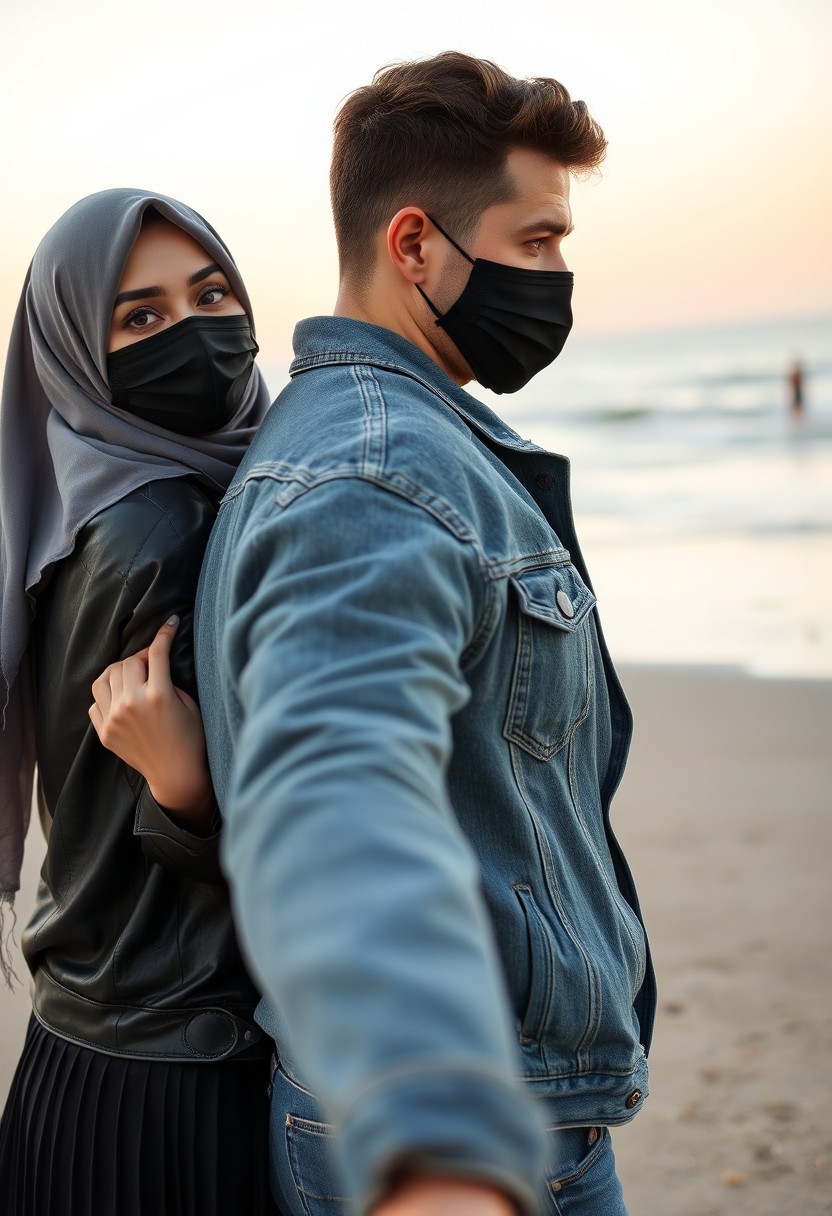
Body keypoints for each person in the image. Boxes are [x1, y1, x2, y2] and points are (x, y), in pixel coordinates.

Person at [196, 52, 657, 1216]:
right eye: (539, 241)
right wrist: (438, 1126)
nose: (559, 277)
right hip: (471, 1125)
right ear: (414, 245)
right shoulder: (378, 469)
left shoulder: (363, 433)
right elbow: (338, 782)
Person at [0, 188, 277, 1215]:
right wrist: (190, 792)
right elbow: (263, 849)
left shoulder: (80, 511)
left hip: (83, 1051)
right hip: (174, 1083)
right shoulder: (167, 531)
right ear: (77, 351)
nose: (197, 334)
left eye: (211, 295)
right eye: (141, 317)